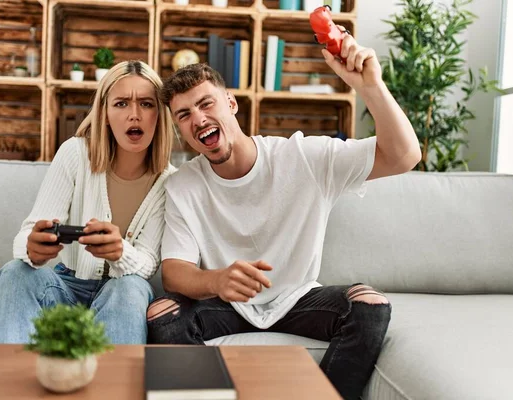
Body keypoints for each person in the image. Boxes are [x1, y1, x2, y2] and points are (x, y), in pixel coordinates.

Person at [146, 29, 421, 400]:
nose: (197, 119)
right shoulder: (183, 186)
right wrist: (217, 281)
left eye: (206, 104)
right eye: (184, 114)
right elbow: (174, 273)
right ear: (179, 128)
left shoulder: (303, 157)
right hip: (226, 304)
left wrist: (370, 86)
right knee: (163, 313)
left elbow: (404, 156)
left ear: (231, 104)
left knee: (371, 306)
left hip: (298, 298)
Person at [0, 60, 175, 345]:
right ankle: (11, 387)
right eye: (121, 103)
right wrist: (32, 247)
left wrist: (119, 252)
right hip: (64, 285)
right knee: (15, 272)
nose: (134, 115)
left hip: (120, 293)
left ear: (160, 114)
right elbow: (28, 232)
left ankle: (112, 388)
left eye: (147, 104)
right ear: (106, 113)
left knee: (130, 287)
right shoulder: (75, 154)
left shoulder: (170, 182)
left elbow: (148, 264)